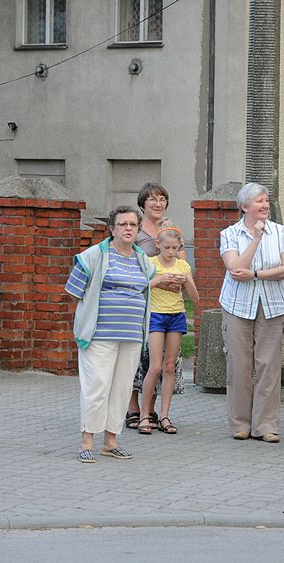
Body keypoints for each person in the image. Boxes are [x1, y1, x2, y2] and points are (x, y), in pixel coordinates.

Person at [65, 206, 155, 463]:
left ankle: (111, 440)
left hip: (131, 336)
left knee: (122, 388)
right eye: (123, 224)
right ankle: (87, 440)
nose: (128, 228)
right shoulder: (94, 256)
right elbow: (74, 291)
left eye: (133, 225)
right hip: (99, 335)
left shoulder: (143, 260)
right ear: (112, 229)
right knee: (97, 386)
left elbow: (144, 291)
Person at [220, 182, 284, 442]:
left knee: (268, 366)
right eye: (259, 201)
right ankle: (240, 423)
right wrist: (257, 238)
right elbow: (236, 269)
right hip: (237, 306)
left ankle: (266, 425)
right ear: (244, 206)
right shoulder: (230, 234)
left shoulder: (282, 232)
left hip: (273, 306)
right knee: (239, 365)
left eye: (267, 200)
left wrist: (257, 275)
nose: (265, 205)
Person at [126, 183, 187, 430]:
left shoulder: (170, 229)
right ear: (143, 204)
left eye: (162, 199)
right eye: (152, 199)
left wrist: (178, 279)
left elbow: (182, 263)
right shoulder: (136, 231)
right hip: (141, 300)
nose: (157, 204)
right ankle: (133, 408)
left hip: (168, 304)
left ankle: (151, 410)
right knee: (136, 357)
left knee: (157, 359)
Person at [138, 221, 199, 434]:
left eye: (175, 248)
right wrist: (160, 279)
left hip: (176, 315)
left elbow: (195, 298)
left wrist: (187, 281)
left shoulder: (183, 266)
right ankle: (145, 414)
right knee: (154, 366)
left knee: (169, 366)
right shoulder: (150, 263)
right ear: (158, 245)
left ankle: (164, 415)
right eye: (167, 248)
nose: (171, 252)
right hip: (155, 315)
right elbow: (141, 287)